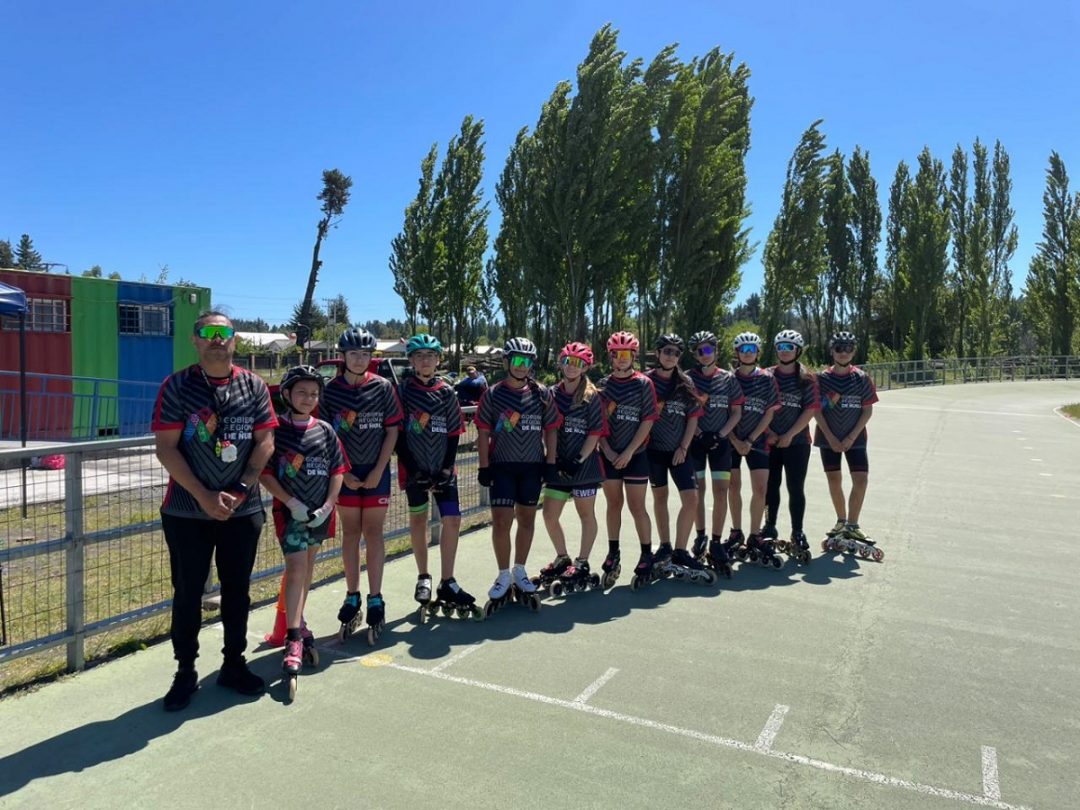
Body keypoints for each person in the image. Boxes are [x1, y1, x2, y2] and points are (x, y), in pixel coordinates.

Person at [152, 311, 277, 712]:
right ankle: (185, 671)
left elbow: (265, 441)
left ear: (235, 340)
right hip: (187, 512)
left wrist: (241, 489)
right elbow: (166, 448)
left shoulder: (253, 386)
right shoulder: (176, 386)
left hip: (242, 510)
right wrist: (204, 495)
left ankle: (233, 664)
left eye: (224, 332)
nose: (216, 339)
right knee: (188, 592)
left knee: (237, 590)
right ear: (195, 340)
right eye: (208, 332)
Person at [259, 366, 347, 697]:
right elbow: (265, 472)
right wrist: (290, 501)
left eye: (313, 393)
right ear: (287, 395)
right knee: (296, 568)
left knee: (308, 568)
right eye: (301, 393)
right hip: (290, 513)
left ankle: (299, 620)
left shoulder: (325, 430)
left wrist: (328, 505)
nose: (308, 399)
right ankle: (293, 636)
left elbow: (337, 470)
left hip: (319, 514)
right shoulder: (277, 431)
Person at [321, 327, 403, 644]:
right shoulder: (330, 390)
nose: (359, 359)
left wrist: (379, 470)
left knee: (373, 532)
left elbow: (392, 431)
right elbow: (326, 435)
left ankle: (376, 597)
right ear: (343, 356)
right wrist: (343, 473)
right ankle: (352, 594)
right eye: (353, 354)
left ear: (371, 357)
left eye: (365, 354)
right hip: (344, 474)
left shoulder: (382, 387)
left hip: (376, 472)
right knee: (351, 533)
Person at [396, 334, 481, 621]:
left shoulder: (446, 391)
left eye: (430, 356)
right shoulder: (403, 391)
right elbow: (398, 434)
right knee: (419, 520)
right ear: (411, 360)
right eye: (419, 356)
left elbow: (455, 432)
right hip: (415, 469)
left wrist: (447, 467)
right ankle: (423, 576)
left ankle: (448, 580)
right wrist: (413, 468)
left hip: (443, 469)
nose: (425, 361)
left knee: (452, 519)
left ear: (438, 360)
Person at [475, 337, 561, 613]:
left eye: (527, 361)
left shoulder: (541, 393)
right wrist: (484, 466)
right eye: (517, 360)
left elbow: (551, 429)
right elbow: (483, 432)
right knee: (502, 521)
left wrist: (550, 462)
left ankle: (519, 570)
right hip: (502, 466)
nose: (522, 366)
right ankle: (503, 574)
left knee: (526, 519)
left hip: (532, 467)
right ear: (506, 362)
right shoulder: (493, 394)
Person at [536, 341, 607, 594]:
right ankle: (562, 557)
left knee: (585, 514)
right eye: (568, 361)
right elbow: (547, 428)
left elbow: (595, 432)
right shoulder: (551, 393)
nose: (572, 367)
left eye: (578, 363)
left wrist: (577, 460)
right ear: (561, 363)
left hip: (583, 466)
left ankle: (582, 561)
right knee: (549, 514)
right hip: (558, 464)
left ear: (585, 367)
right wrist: (553, 459)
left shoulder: (592, 396)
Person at [644, 334, 712, 583]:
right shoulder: (646, 381)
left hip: (680, 451)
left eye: (675, 353)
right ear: (658, 353)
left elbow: (693, 416)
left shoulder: (686, 382)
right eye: (667, 351)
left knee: (691, 499)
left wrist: (684, 447)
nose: (671, 356)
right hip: (654, 452)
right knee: (660, 497)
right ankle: (665, 546)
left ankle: (681, 551)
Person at [597, 331, 658, 589]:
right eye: (616, 354)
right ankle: (614, 552)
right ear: (610, 356)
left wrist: (629, 451)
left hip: (635, 455)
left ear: (633, 356)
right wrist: (608, 451)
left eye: (626, 354)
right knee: (613, 505)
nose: (621, 358)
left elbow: (647, 420)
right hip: (609, 454)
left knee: (637, 506)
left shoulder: (644, 383)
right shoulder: (602, 385)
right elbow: (597, 423)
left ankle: (646, 554)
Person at [814, 330, 881, 560]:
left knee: (861, 480)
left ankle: (853, 524)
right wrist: (831, 437)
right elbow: (816, 410)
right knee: (834, 480)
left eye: (848, 349)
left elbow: (867, 410)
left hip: (856, 439)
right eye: (839, 348)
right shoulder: (821, 379)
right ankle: (841, 521)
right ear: (832, 351)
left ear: (854, 352)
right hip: (828, 438)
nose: (843, 353)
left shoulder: (861, 378)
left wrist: (851, 437)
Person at [686, 330, 744, 575]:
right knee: (698, 492)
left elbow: (736, 412)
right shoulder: (688, 379)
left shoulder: (728, 378)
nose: (704, 354)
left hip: (721, 442)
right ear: (695, 355)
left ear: (716, 351)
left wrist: (720, 434)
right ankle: (700, 536)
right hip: (696, 442)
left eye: (708, 349)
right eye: (699, 351)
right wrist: (700, 434)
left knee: (721, 491)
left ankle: (717, 541)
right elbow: (685, 412)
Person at [763, 329, 819, 563]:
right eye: (781, 347)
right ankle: (769, 526)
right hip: (770, 441)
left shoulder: (807, 378)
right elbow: (758, 407)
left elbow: (810, 410)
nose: (784, 351)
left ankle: (797, 530)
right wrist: (769, 432)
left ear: (797, 351)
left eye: (789, 347)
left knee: (795, 487)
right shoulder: (766, 375)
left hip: (797, 442)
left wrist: (789, 434)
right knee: (770, 486)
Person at [727, 332, 781, 567]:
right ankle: (736, 531)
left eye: (751, 350)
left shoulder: (767, 379)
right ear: (737, 353)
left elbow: (769, 413)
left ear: (758, 352)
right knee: (733, 486)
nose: (747, 354)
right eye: (743, 350)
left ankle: (754, 534)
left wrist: (750, 439)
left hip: (756, 441)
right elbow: (723, 413)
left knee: (760, 488)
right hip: (731, 441)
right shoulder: (729, 379)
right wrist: (734, 439)